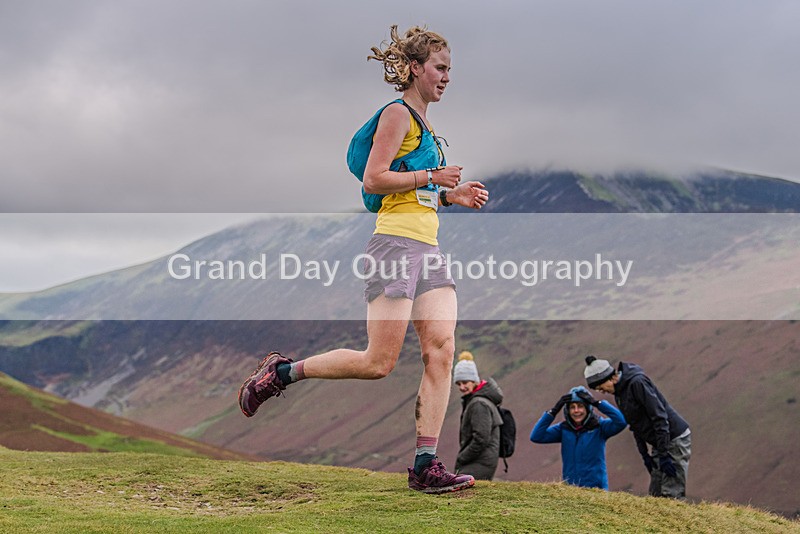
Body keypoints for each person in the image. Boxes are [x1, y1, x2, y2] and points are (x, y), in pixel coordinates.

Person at [237, 25, 489, 495]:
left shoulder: (427, 124)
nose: (447, 77)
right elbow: (374, 180)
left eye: (450, 69)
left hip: (428, 249)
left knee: (442, 351)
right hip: (394, 247)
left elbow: (415, 191)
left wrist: (450, 194)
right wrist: (433, 173)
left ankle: (426, 465)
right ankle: (282, 372)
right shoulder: (397, 114)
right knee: (379, 362)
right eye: (440, 68)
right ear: (416, 68)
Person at [584, 355, 691, 499]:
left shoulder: (637, 383)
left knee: (671, 493)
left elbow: (659, 417)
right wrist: (645, 455)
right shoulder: (620, 394)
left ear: (609, 378)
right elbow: (634, 425)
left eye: (601, 387)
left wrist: (664, 454)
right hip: (660, 442)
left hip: (674, 439)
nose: (602, 392)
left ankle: (679, 520)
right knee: (656, 494)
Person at [530, 386, 626, 490]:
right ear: (567, 410)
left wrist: (597, 403)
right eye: (572, 407)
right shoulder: (563, 429)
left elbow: (621, 422)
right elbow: (536, 436)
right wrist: (553, 411)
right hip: (571, 490)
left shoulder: (600, 427)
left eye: (580, 406)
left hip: (596, 490)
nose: (576, 411)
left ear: (587, 408)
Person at [452, 352, 504, 480]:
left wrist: (462, 456)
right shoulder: (479, 400)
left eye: (465, 382)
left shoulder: (478, 404)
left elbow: (481, 438)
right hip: (482, 460)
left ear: (474, 380)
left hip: (480, 462)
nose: (462, 387)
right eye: (458, 384)